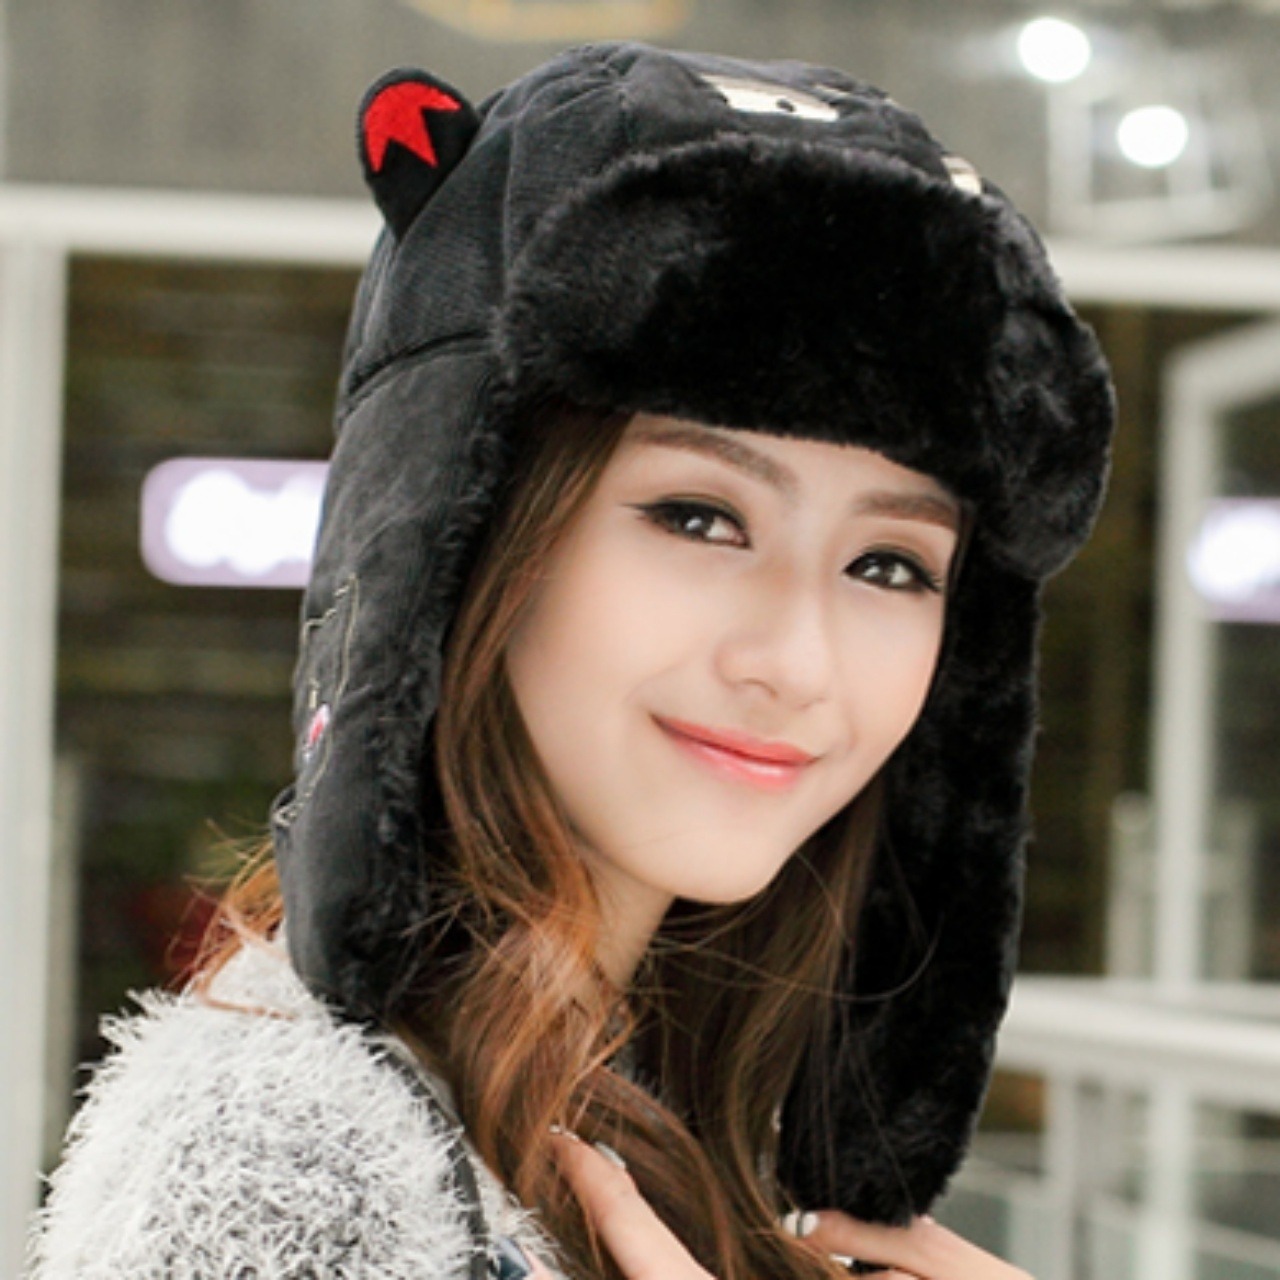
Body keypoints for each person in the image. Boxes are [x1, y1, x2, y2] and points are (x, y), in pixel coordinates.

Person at [26, 42, 1114, 1280]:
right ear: (468, 532)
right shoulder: (280, 1165)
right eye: (699, 516)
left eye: (888, 564)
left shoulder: (693, 1113)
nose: (796, 661)